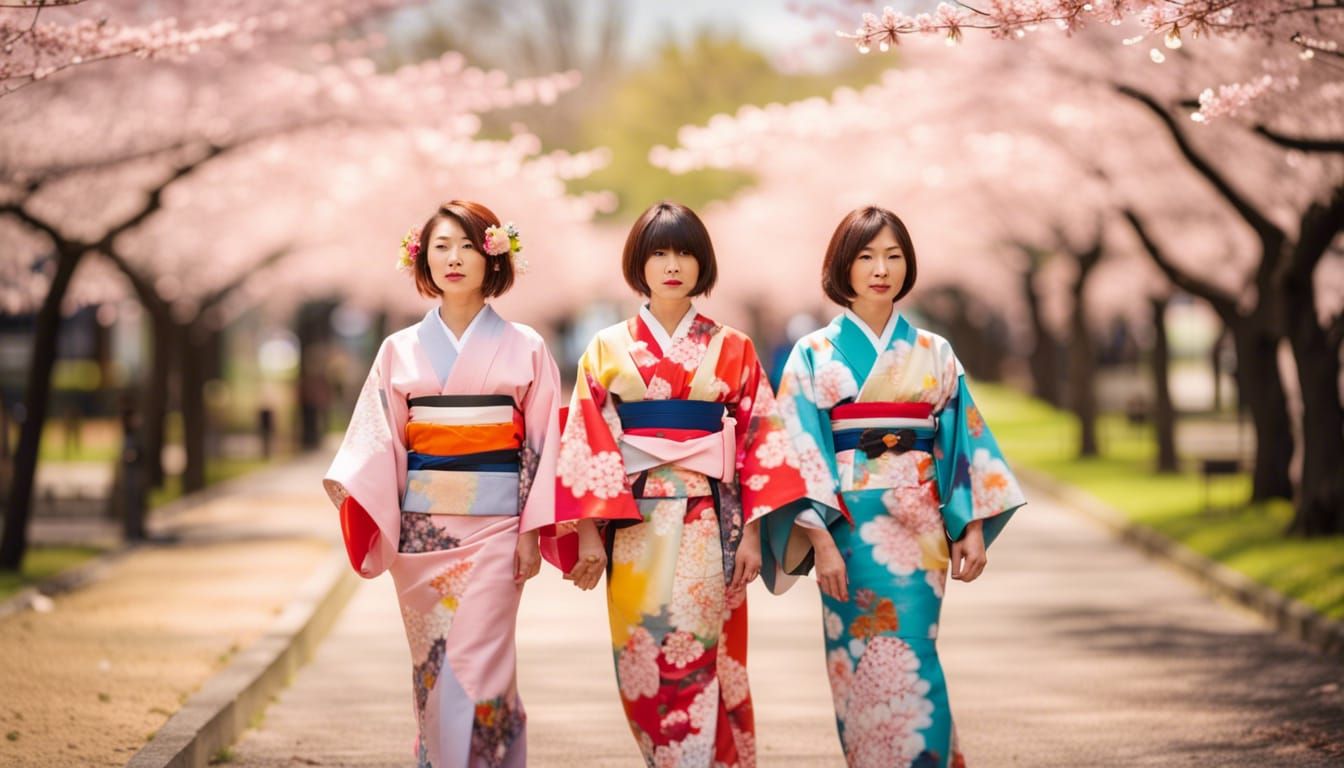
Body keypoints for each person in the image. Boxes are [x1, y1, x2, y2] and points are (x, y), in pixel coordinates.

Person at [761, 206, 1026, 768]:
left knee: (915, 655)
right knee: (855, 662)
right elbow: (797, 449)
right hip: (846, 531)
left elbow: (962, 446)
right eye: (866, 256)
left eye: (893, 256)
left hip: (919, 525)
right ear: (843, 266)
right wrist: (821, 540)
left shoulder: (936, 352)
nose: (881, 269)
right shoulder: (812, 353)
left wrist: (971, 527)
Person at [555, 201, 808, 767]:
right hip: (632, 523)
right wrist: (591, 536)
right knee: (639, 658)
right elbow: (588, 442)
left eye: (686, 253)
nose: (673, 265)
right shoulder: (605, 347)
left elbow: (760, 445)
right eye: (660, 253)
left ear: (703, 264)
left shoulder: (735, 346)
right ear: (638, 264)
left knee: (699, 657)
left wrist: (750, 535)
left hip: (708, 521)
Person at [323, 201, 561, 768]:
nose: (454, 258)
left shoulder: (526, 345)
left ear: (493, 255)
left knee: (481, 666)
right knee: (435, 667)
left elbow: (544, 444)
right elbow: (381, 441)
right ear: (423, 259)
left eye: (468, 246)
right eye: (441, 247)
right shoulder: (397, 349)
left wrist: (533, 531)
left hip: (499, 528)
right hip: (423, 536)